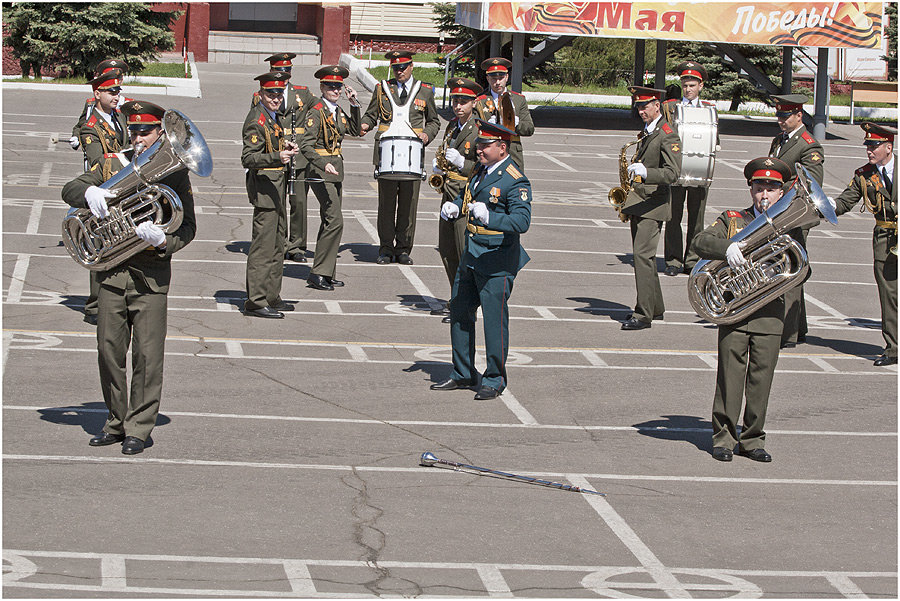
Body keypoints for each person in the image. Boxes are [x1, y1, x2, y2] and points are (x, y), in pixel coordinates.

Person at [61, 100, 196, 455]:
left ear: (160, 135)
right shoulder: (111, 163)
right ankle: (115, 421)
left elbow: (190, 227)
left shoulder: (174, 173)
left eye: (145, 131)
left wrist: (165, 239)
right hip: (112, 274)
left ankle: (139, 426)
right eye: (133, 130)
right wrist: (89, 192)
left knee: (148, 357)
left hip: (150, 278)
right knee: (108, 352)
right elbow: (70, 189)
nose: (138, 137)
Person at [692, 157, 792, 463]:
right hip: (735, 310)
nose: (765, 194)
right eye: (760, 187)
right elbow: (700, 240)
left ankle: (753, 439)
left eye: (772, 189)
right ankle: (723, 437)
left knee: (761, 380)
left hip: (769, 313)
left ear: (781, 193)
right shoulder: (733, 218)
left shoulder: (788, 223)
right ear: (751, 189)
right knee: (729, 376)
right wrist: (727, 248)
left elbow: (803, 268)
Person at [430, 120, 532, 400]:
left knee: (493, 321)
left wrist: (491, 217)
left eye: (485, 145)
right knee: (460, 311)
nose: (479, 149)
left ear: (502, 147)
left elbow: (522, 221)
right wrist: (456, 206)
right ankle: (463, 372)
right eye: (479, 144)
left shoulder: (515, 179)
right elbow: (469, 195)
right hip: (473, 252)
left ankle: (495, 377)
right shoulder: (480, 170)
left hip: (497, 257)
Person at [360, 50, 440, 265]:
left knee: (408, 204)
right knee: (386, 205)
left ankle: (403, 248)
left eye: (403, 67)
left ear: (412, 66)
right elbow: (371, 114)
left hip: (412, 155)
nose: (399, 71)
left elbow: (434, 121)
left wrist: (426, 135)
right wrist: (365, 124)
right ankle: (385, 248)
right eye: (396, 68)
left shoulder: (424, 91)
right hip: (387, 154)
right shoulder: (383, 89)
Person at [833, 122, 897, 366]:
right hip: (884, 239)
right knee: (889, 296)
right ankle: (893, 348)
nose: (869, 150)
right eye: (867, 146)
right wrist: (822, 206)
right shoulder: (864, 174)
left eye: (874, 145)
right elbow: (845, 202)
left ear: (888, 147)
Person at [619, 86, 683, 330]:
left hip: (654, 204)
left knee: (642, 257)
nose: (641, 110)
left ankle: (643, 313)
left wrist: (647, 173)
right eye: (638, 106)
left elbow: (673, 173)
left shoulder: (667, 133)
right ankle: (655, 307)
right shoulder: (647, 131)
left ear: (658, 105)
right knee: (643, 256)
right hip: (640, 201)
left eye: (645, 105)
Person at [768, 94, 825, 348]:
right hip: (778, 212)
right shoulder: (780, 140)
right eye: (779, 115)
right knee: (790, 264)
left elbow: (811, 185)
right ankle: (799, 327)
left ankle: (787, 334)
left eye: (785, 116)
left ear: (799, 116)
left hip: (794, 215)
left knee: (790, 267)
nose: (780, 120)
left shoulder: (808, 145)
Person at [241, 71, 299, 318]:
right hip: (265, 192)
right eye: (270, 93)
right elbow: (248, 157)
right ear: (261, 94)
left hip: (276, 190)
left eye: (279, 93)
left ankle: (271, 295)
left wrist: (284, 147)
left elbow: (269, 144)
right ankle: (255, 300)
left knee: (277, 245)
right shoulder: (257, 119)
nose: (275, 98)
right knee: (263, 248)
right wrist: (278, 157)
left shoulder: (272, 117)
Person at [250, 53, 317, 264]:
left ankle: (296, 245)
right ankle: (280, 241)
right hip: (275, 152)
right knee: (277, 200)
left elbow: (319, 109)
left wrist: (309, 133)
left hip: (297, 153)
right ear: (272, 71)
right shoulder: (259, 95)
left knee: (298, 200)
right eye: (279, 71)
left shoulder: (302, 93)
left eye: (287, 71)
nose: (284, 75)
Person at [299, 65, 360, 291]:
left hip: (335, 170)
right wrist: (322, 163)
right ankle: (318, 273)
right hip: (320, 171)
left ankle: (327, 271)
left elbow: (354, 130)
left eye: (338, 86)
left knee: (330, 220)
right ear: (322, 87)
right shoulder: (316, 111)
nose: (335, 90)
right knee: (335, 220)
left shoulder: (337, 110)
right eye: (330, 86)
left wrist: (354, 104)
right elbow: (305, 144)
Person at [76, 67, 130, 326]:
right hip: (102, 189)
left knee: (118, 243)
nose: (116, 96)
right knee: (99, 244)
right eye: (111, 92)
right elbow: (99, 161)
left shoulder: (119, 117)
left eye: (118, 91)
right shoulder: (90, 128)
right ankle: (95, 304)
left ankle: (114, 300)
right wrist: (127, 157)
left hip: (122, 188)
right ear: (97, 93)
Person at [431, 77, 483, 323]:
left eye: (463, 101)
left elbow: (486, 166)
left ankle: (467, 304)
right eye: (455, 100)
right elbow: (444, 150)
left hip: (465, 195)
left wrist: (464, 164)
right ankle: (456, 297)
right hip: (447, 193)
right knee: (447, 249)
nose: (458, 105)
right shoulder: (453, 126)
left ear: (474, 102)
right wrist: (439, 165)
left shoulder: (479, 128)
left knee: (463, 252)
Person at [662, 61, 716, 277]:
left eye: (692, 85)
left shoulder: (709, 109)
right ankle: (673, 260)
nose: (688, 89)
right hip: (676, 170)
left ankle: (692, 259)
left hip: (699, 170)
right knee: (673, 216)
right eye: (685, 85)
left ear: (700, 86)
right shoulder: (671, 108)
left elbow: (713, 137)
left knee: (697, 218)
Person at [474, 57, 534, 170]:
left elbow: (529, 129)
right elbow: (474, 131)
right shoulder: (480, 102)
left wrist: (516, 124)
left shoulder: (518, 100)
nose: (497, 82)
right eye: (493, 78)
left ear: (506, 77)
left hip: (512, 153)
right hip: (488, 154)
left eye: (500, 78)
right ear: (487, 78)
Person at [70, 58, 131, 153]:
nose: (114, 80)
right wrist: (76, 136)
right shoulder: (91, 104)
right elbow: (81, 125)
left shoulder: (128, 104)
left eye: (117, 78)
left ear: (121, 80)